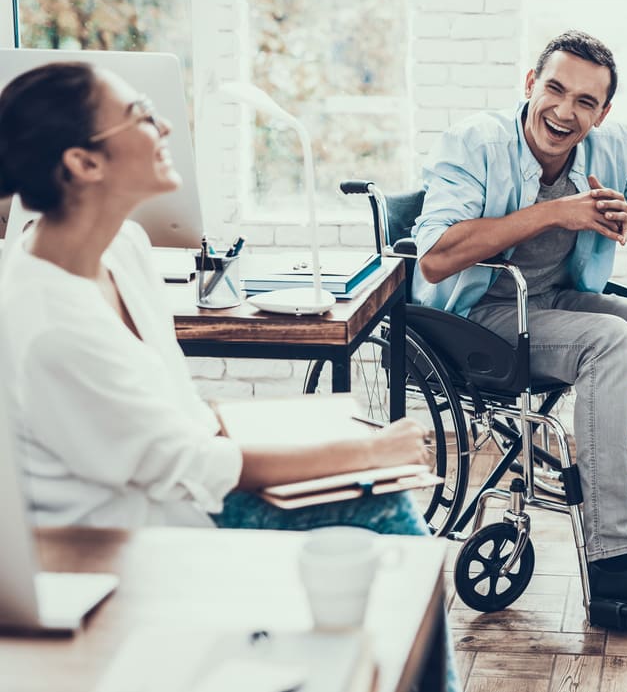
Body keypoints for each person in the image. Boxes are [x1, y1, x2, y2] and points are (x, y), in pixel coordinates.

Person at [0, 62, 458, 690]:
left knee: (385, 502)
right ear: (83, 163)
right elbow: (190, 466)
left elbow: (175, 411)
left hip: (182, 484)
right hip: (127, 538)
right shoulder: (50, 323)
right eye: (139, 115)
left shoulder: (124, 247)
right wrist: (366, 450)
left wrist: (328, 447)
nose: (163, 125)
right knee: (389, 520)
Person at [412, 30, 627, 614]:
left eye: (585, 101)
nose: (564, 110)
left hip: (552, 301)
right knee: (610, 340)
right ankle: (615, 561)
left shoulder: (611, 146)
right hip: (474, 317)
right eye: (554, 88)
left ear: (603, 112)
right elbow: (437, 255)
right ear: (531, 84)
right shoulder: (474, 142)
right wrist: (557, 212)